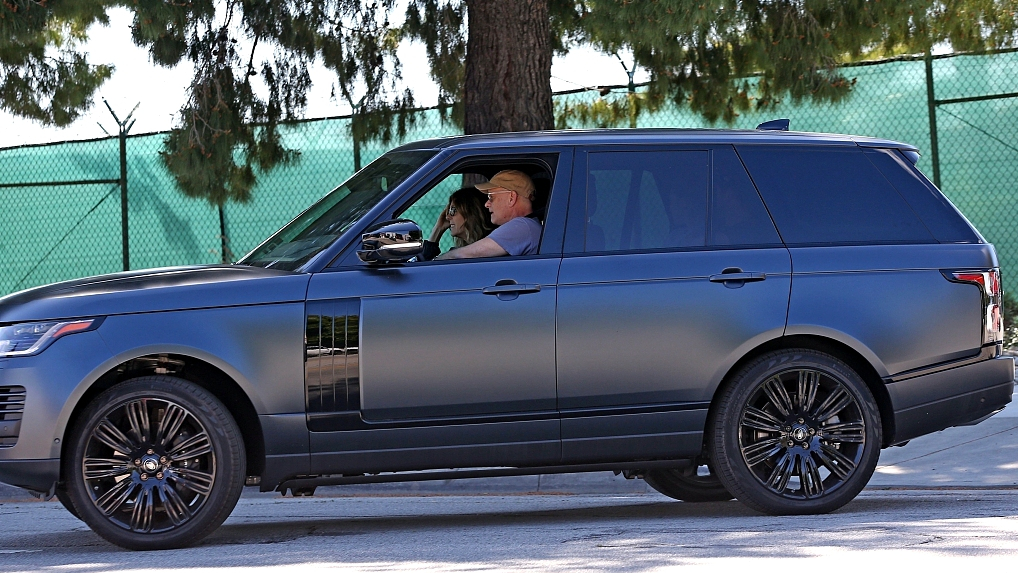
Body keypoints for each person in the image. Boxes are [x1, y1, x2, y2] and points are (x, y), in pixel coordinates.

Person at [436, 169, 543, 260]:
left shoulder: (522, 226)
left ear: (511, 198)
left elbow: (465, 254)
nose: (486, 204)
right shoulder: (528, 226)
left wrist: (435, 261)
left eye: (491, 197)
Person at [420, 187, 496, 260]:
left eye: (453, 210)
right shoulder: (461, 253)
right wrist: (438, 228)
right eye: (449, 211)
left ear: (471, 213)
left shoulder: (491, 252)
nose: (447, 217)